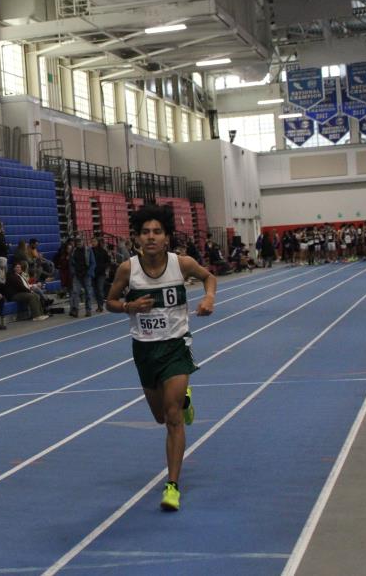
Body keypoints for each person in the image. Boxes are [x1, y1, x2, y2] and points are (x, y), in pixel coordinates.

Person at [105, 206, 216, 512]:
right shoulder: (128, 269)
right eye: (145, 232)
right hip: (145, 350)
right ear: (137, 238)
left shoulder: (181, 264)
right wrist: (128, 307)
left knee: (172, 417)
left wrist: (208, 298)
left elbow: (209, 277)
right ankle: (185, 400)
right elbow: (110, 302)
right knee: (159, 416)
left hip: (175, 347)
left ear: (167, 237)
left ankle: (172, 486)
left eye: (157, 232)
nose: (151, 237)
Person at [69, 237, 96, 317]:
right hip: (77, 275)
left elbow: (93, 263)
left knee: (88, 292)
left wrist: (89, 272)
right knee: (75, 292)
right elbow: (71, 263)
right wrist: (73, 271)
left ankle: (88, 310)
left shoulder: (88, 250)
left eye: (80, 242)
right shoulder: (73, 251)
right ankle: (75, 310)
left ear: (83, 242)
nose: (79, 244)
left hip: (86, 274)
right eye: (77, 243)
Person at [91, 238, 112, 312]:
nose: (93, 243)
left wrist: (105, 269)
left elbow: (108, 261)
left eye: (94, 241)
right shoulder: (90, 251)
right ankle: (99, 305)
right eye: (92, 241)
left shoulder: (103, 251)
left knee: (100, 289)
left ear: (98, 242)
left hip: (101, 273)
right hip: (93, 273)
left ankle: (101, 305)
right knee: (95, 291)